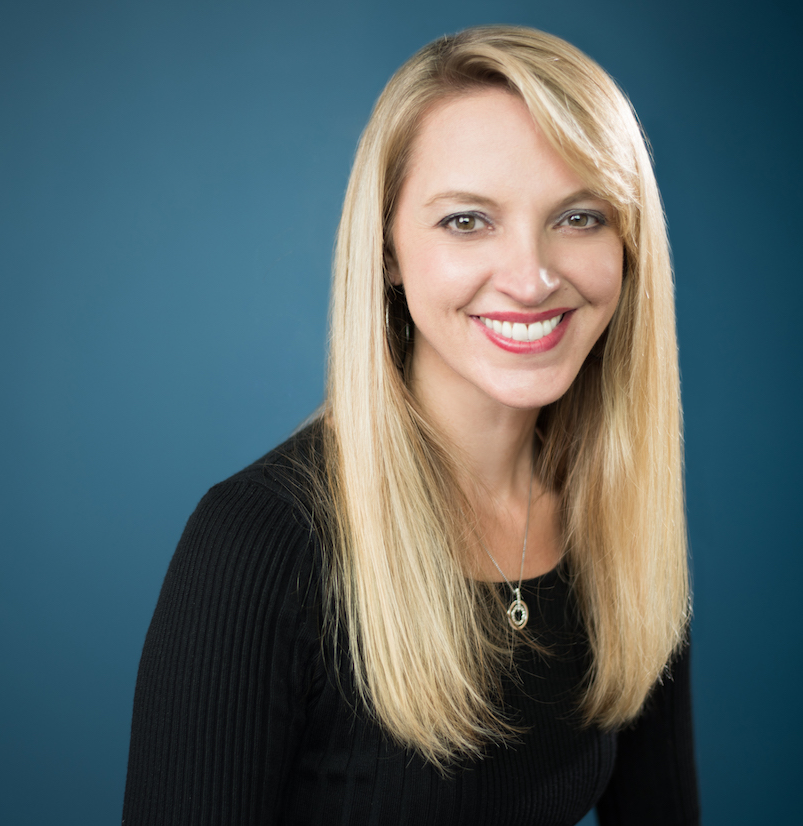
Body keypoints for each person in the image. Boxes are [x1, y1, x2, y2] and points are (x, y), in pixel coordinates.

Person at [123, 25, 698, 825]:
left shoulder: (618, 518)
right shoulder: (259, 543)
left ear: (630, 245)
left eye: (580, 216)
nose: (532, 279)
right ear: (388, 250)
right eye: (467, 221)